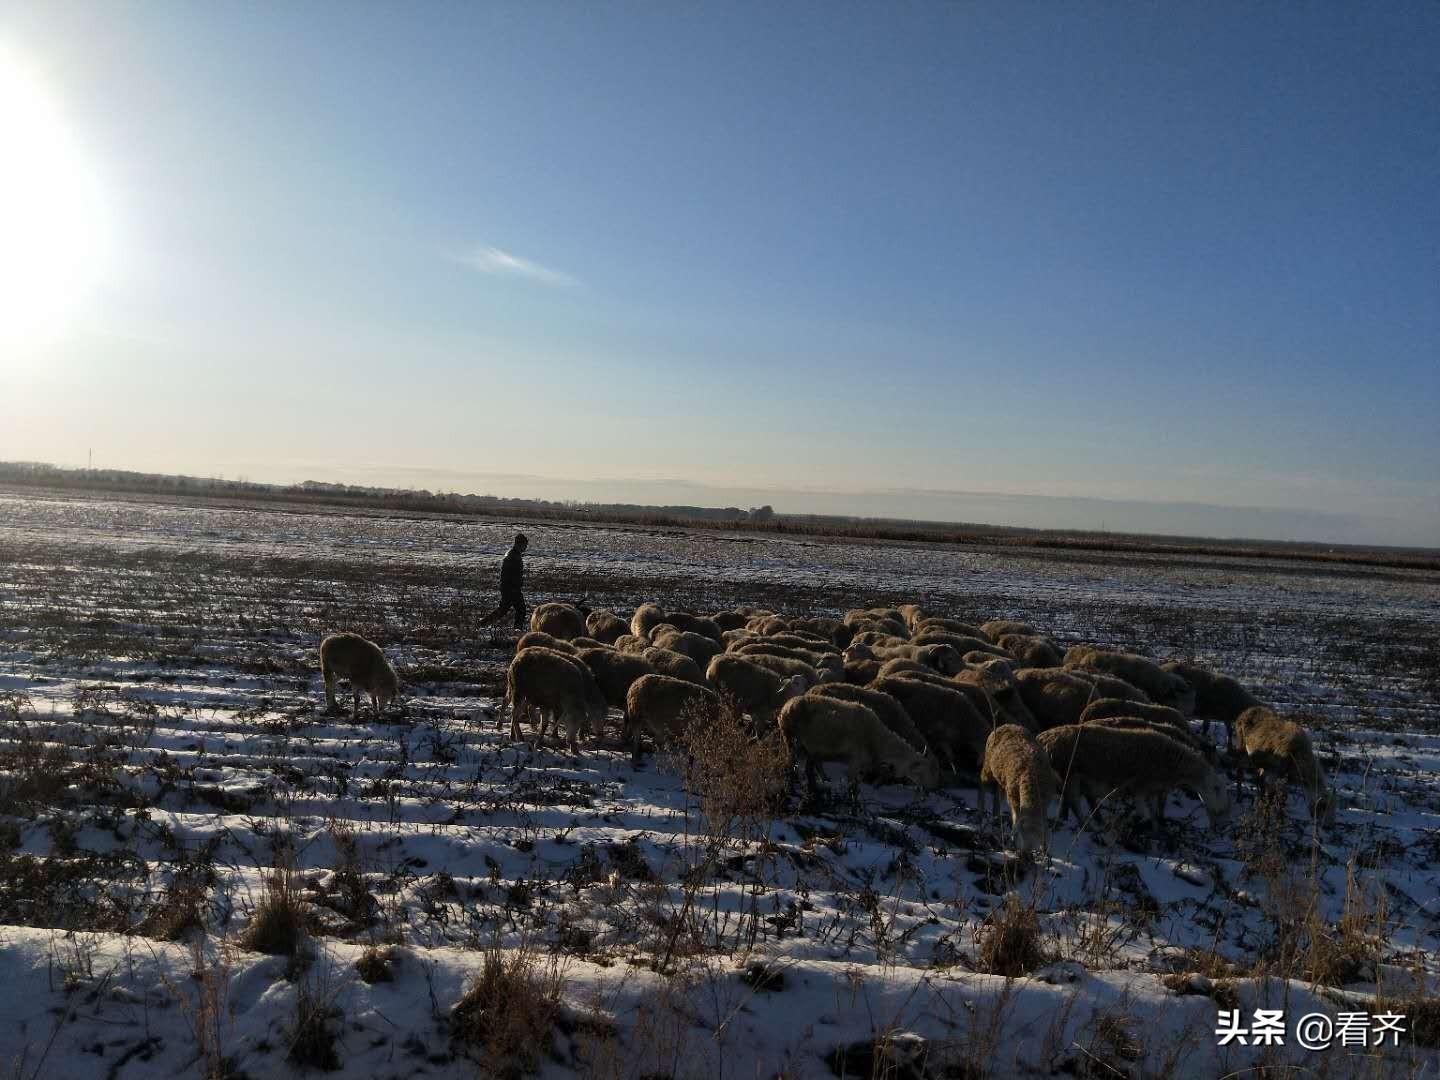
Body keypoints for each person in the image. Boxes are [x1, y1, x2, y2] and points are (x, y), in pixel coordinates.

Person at [478, 532, 529, 630]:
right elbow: (510, 575)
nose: (525, 548)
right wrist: (514, 587)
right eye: (525, 545)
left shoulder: (513, 554)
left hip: (509, 588)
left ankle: (482, 623)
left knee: (503, 610)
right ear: (520, 544)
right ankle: (517, 630)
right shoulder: (513, 556)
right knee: (521, 610)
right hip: (511, 589)